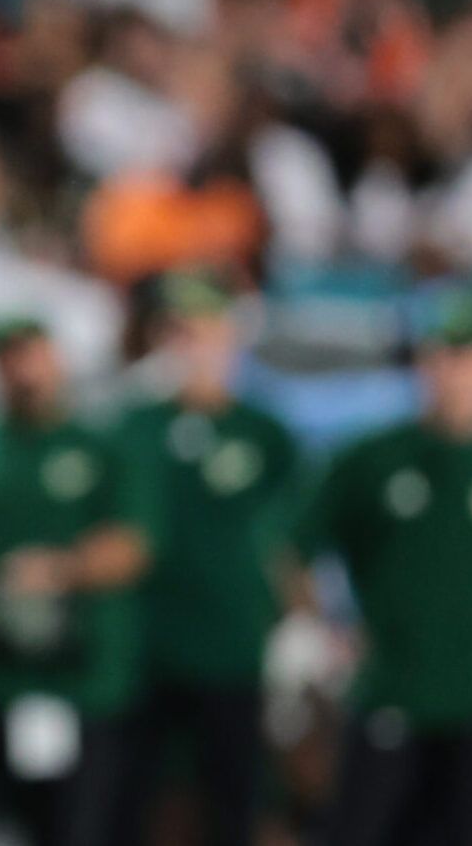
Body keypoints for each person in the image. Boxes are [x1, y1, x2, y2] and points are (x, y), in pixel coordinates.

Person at [295, 294, 472, 846]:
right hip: (389, 690)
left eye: (468, 356)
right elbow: (293, 549)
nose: (455, 373)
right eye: (441, 356)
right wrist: (329, 629)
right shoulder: (371, 459)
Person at [0, 319, 150, 846]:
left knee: (70, 827)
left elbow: (132, 548)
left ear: (56, 358)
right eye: (6, 358)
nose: (20, 370)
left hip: (72, 679)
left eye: (30, 354)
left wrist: (59, 569)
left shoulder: (98, 448)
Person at [114, 272, 300, 846]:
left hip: (233, 647)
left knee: (234, 801)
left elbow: (295, 540)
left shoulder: (264, 433)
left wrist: (295, 620)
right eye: (179, 331)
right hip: (145, 648)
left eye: (204, 330)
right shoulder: (136, 427)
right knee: (130, 802)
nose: (192, 345)